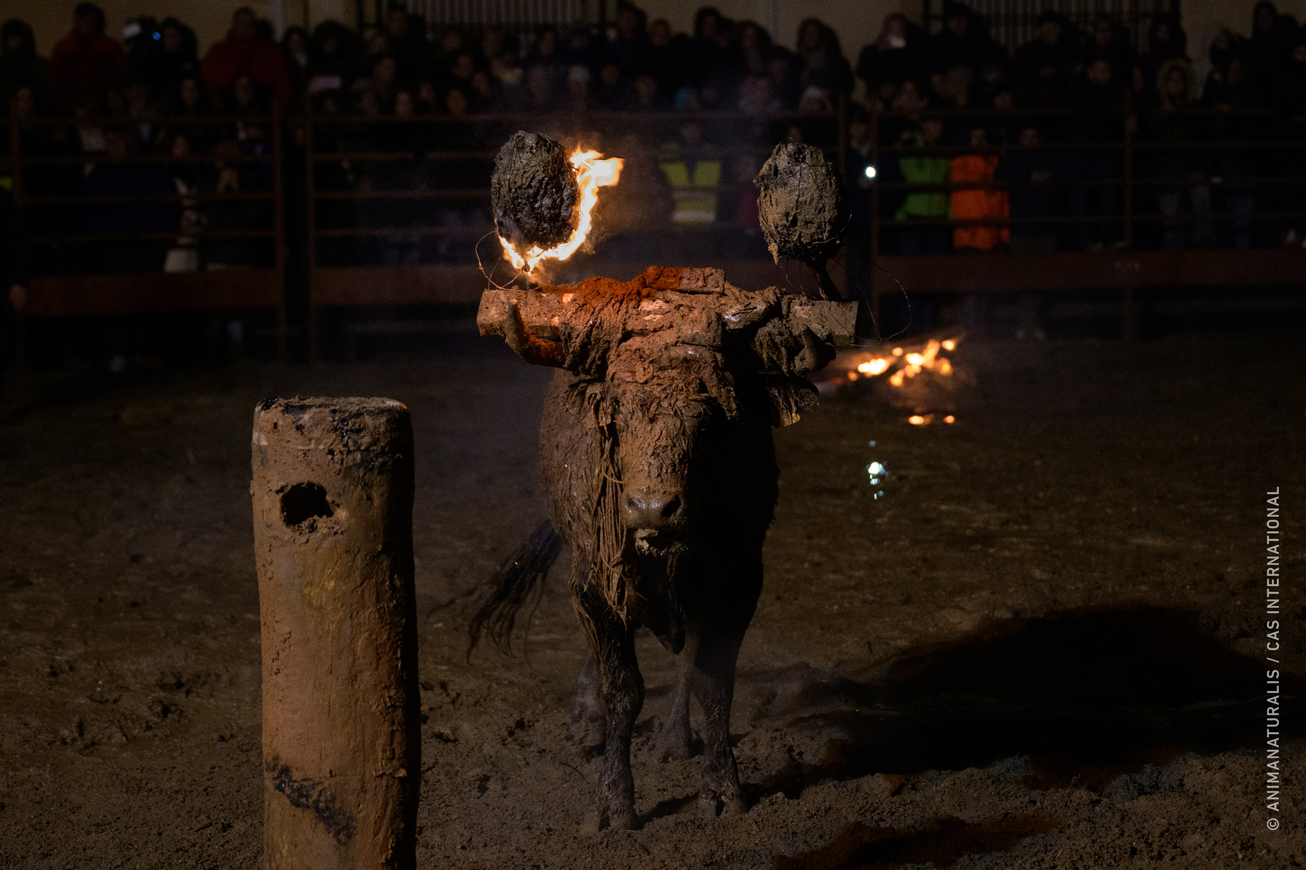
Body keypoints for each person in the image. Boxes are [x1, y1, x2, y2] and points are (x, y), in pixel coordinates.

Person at [201, 7, 292, 108]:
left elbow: (282, 84)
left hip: (263, 107)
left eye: (249, 24)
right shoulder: (218, 51)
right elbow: (207, 80)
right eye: (241, 24)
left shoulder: (270, 52)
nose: (245, 28)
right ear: (234, 26)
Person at [50, 3, 127, 112]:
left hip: (105, 106)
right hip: (69, 107)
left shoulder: (109, 47)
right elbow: (55, 77)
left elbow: (120, 74)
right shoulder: (64, 48)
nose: (84, 25)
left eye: (89, 21)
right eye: (81, 20)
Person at [1, 19, 54, 116]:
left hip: (38, 119)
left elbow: (47, 96)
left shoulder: (38, 66)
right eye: (10, 37)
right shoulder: (2, 65)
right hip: (5, 119)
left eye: (17, 37)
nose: (13, 41)